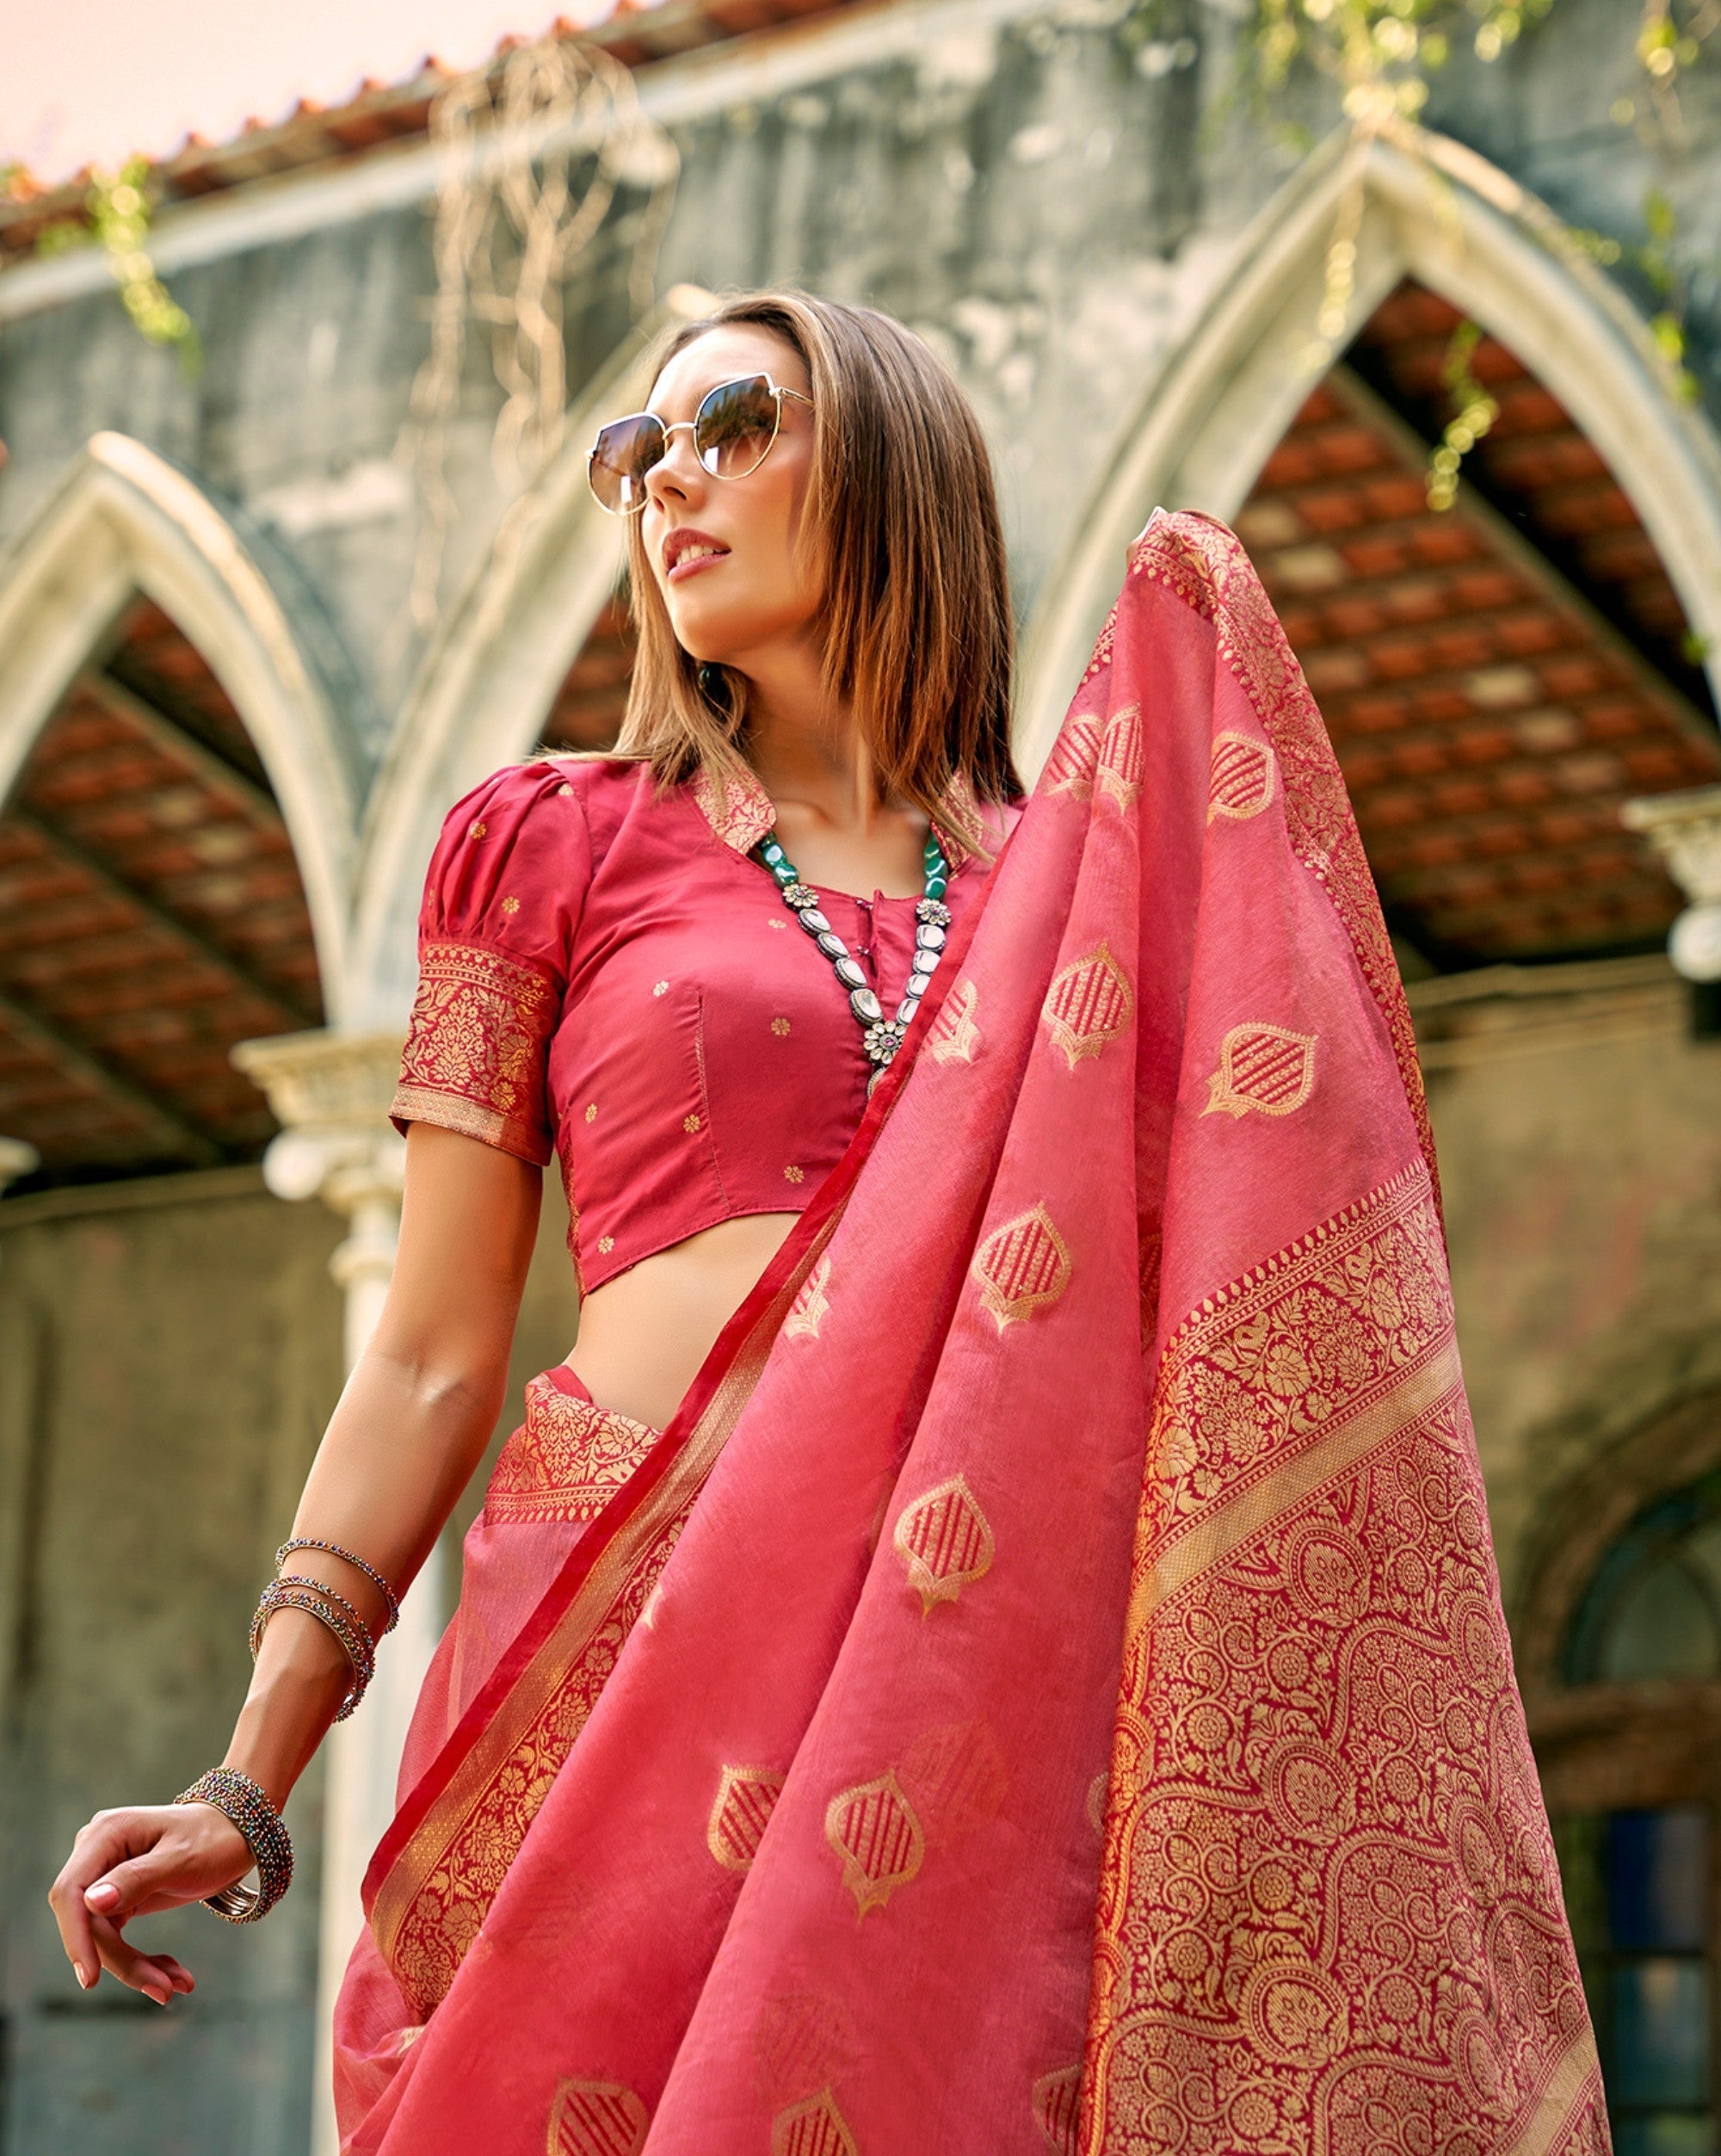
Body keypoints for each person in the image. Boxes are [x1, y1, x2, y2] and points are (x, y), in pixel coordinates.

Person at [50, 292, 1609, 2156]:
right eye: (639, 454)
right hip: (619, 1610)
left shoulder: (1068, 887)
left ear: (883, 455)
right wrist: (256, 1760)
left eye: (730, 422)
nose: (669, 483)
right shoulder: (542, 839)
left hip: (963, 1636)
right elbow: (429, 1346)